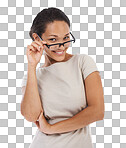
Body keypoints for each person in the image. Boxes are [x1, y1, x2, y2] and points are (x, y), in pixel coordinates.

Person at [21, 7, 105, 148]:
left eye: (66, 38)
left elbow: (97, 111)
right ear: (37, 38)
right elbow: (31, 116)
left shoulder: (82, 62)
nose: (62, 46)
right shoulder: (33, 76)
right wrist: (31, 66)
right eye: (53, 39)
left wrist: (51, 128)